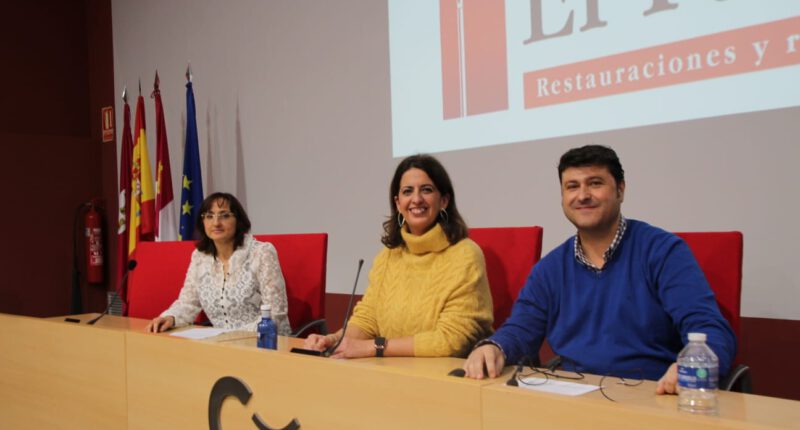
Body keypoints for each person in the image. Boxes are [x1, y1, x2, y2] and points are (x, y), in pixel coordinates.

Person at [463, 145, 736, 395]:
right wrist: (493, 346)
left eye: (595, 183)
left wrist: (691, 368)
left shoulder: (662, 251)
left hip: (652, 395)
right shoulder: (550, 268)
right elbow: (521, 328)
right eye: (572, 186)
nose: (583, 195)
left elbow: (707, 327)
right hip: (573, 399)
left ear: (620, 189)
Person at [304, 154, 494, 358]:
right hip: (390, 372)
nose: (417, 199)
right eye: (407, 191)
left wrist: (374, 347)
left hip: (447, 377)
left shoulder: (465, 255)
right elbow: (368, 320)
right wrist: (334, 340)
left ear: (444, 201)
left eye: (427, 190)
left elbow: (452, 340)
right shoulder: (387, 257)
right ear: (397, 203)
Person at [145, 192, 291, 335]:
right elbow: (188, 302)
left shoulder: (262, 253)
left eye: (224, 215)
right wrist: (170, 318)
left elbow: (275, 314)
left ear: (238, 220)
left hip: (265, 344)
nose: (216, 223)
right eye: (209, 216)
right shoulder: (200, 257)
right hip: (220, 346)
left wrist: (229, 336)